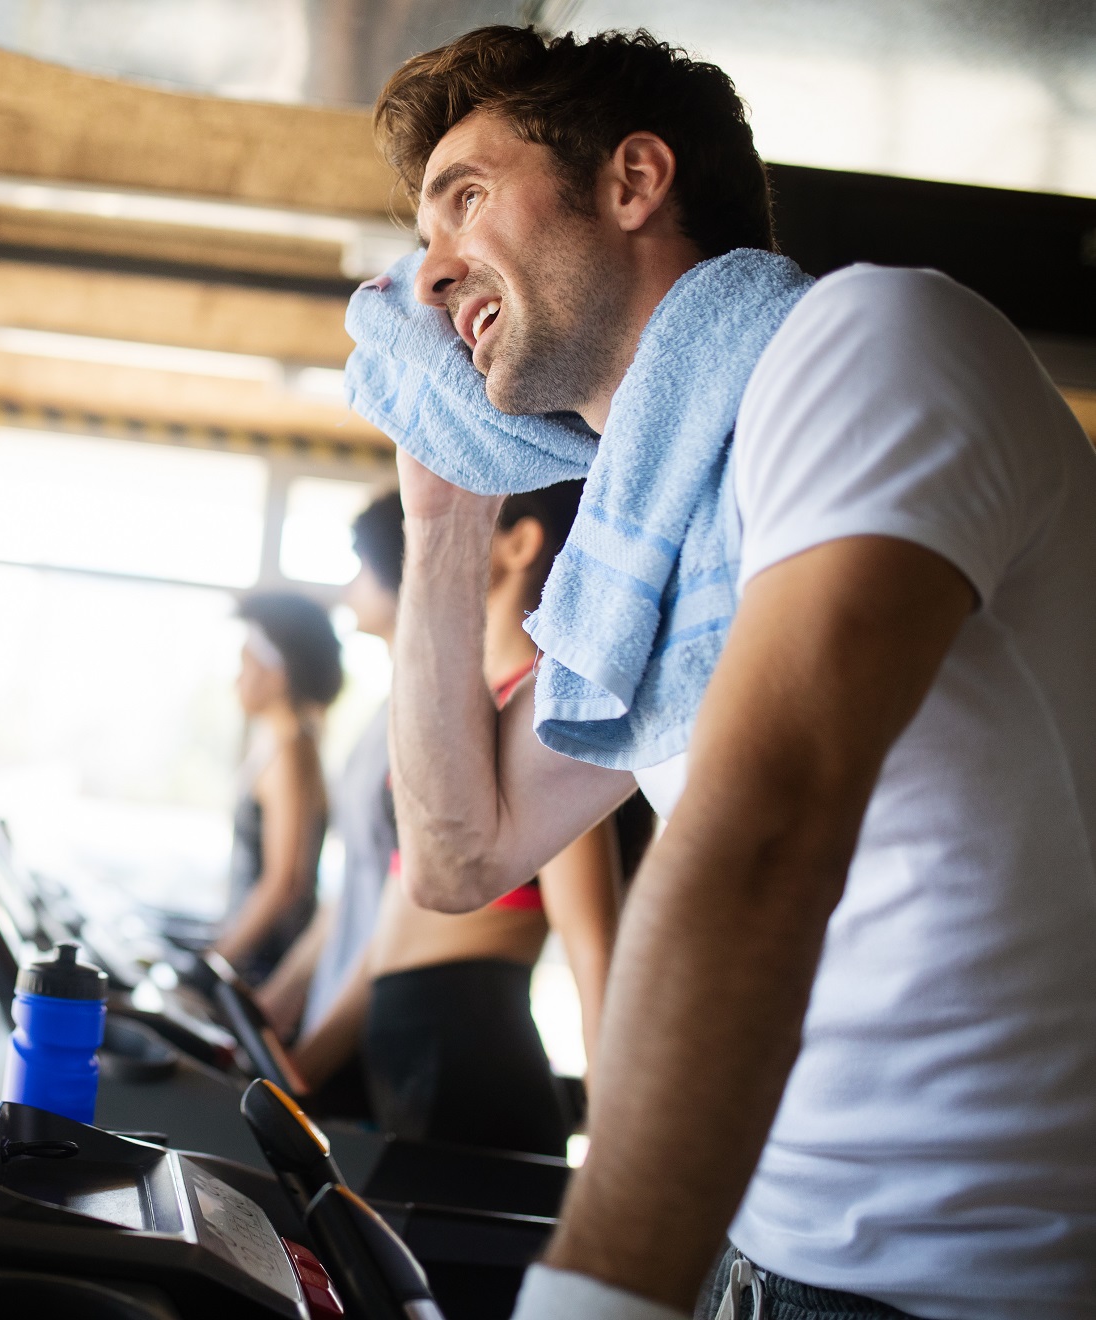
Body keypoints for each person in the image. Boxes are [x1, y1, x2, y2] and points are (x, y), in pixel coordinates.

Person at [347, 24, 1096, 1320]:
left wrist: (595, 1297)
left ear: (635, 181)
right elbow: (463, 855)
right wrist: (444, 503)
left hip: (978, 1284)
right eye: (422, 238)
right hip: (771, 1258)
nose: (428, 277)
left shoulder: (868, 342)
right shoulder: (657, 552)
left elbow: (770, 824)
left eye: (464, 197)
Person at [285, 481, 622, 1157]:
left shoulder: (547, 723)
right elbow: (396, 917)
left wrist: (619, 1150)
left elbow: (594, 950)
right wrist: (306, 1067)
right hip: (410, 1044)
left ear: (521, 544)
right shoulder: (473, 717)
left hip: (471, 1052)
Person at [254, 491, 409, 1116]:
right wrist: (274, 1005)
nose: (348, 593)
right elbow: (350, 896)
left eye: (361, 570)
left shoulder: (426, 720)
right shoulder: (384, 715)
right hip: (332, 1008)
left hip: (369, 1029)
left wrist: (315, 1055)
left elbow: (401, 912)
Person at [210, 592, 343, 985]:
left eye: (244, 663)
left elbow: (285, 883)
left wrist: (215, 964)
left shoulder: (291, 753)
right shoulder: (283, 745)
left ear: (276, 672)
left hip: (266, 966)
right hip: (258, 956)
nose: (236, 678)